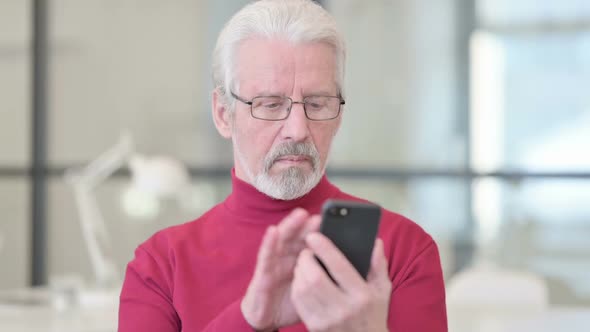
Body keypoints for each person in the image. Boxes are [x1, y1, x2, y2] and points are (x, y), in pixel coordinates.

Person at [118, 0, 447, 331]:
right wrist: (251, 317)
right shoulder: (160, 266)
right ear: (222, 114)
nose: (298, 130)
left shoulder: (403, 251)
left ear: (340, 113)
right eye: (271, 104)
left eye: (318, 104)